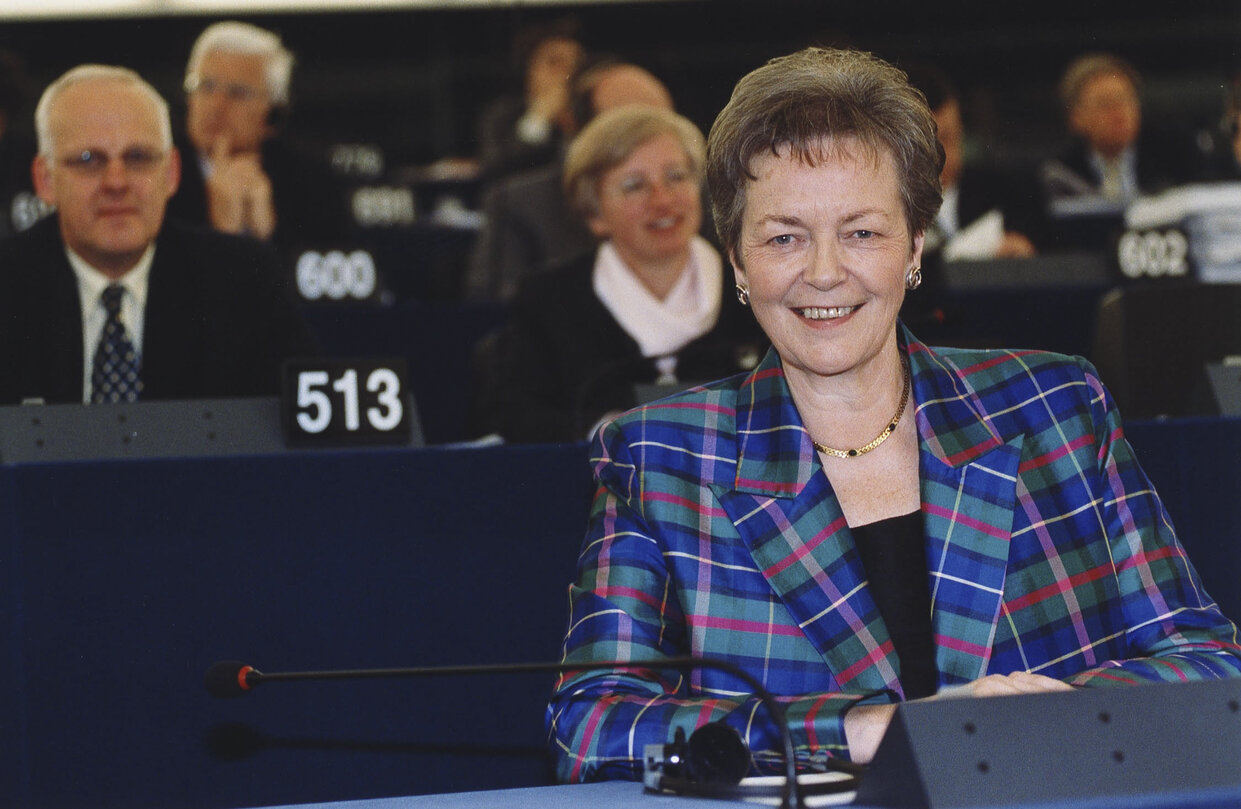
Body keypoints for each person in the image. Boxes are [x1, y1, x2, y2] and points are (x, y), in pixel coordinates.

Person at [547, 47, 1241, 782]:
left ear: (914, 246)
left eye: (861, 232)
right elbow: (592, 726)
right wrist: (860, 728)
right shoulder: (658, 457)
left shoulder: (1056, 409)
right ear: (738, 260)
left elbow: (1209, 665)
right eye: (783, 236)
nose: (822, 272)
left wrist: (1062, 711)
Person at [0, 64, 315, 406]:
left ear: (172, 174)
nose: (116, 182)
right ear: (45, 180)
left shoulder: (242, 280)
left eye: (138, 158)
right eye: (89, 160)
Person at [470, 105, 765, 443]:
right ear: (594, 213)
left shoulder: (754, 285)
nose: (663, 200)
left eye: (676, 177)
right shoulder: (548, 301)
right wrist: (605, 437)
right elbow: (515, 416)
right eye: (634, 186)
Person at [465, 59, 677, 302]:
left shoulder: (697, 198)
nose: (651, 144)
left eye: (662, 126)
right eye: (629, 131)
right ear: (580, 129)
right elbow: (495, 313)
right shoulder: (517, 204)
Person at [167, 21, 350, 257]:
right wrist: (219, 231)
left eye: (238, 92)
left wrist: (269, 233)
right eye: (206, 86)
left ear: (272, 113)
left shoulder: (313, 180)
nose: (216, 105)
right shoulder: (158, 171)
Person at [1039, 53, 1197, 203]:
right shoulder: (1061, 173)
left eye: (1126, 100)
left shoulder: (1175, 157)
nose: (1119, 113)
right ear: (1076, 118)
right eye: (1105, 104)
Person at [476, 18, 584, 183]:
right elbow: (495, 172)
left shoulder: (589, 108)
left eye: (574, 64)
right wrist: (538, 120)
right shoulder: (502, 114)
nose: (566, 73)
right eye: (555, 63)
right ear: (530, 69)